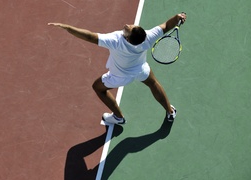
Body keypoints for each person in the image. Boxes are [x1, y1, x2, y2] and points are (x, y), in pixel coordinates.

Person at [48, 12, 186, 125]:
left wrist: (67, 28)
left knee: (97, 87)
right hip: (141, 70)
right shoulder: (148, 37)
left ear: (127, 39)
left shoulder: (115, 41)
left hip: (119, 77)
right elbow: (167, 25)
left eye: (128, 29)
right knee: (153, 83)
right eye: (131, 26)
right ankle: (170, 111)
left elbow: (89, 36)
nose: (126, 25)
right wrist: (178, 17)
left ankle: (118, 117)